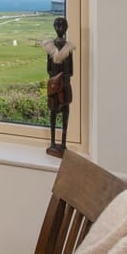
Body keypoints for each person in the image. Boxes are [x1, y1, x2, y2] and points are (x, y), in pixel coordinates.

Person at [42, 17, 73, 157]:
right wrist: (56, 80)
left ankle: (63, 143)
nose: (60, 28)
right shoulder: (50, 47)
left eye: (62, 25)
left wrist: (63, 80)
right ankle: (53, 143)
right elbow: (49, 69)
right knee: (53, 113)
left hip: (64, 85)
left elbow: (71, 70)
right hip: (55, 86)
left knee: (64, 113)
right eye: (58, 25)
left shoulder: (68, 47)